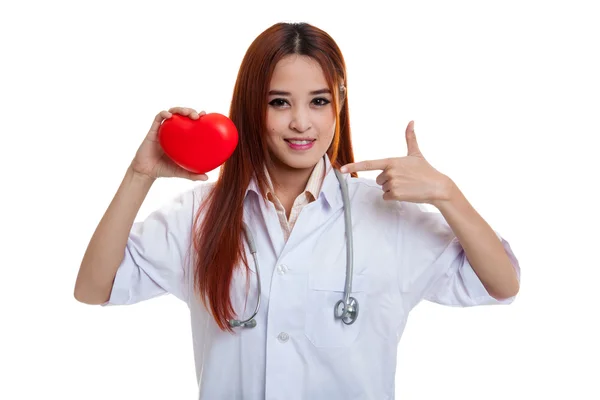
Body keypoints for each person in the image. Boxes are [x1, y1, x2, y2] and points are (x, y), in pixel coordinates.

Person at [74, 22, 521, 400]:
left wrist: (447, 193)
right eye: (279, 102)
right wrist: (140, 173)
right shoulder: (200, 214)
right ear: (253, 108)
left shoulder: (387, 215)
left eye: (318, 101)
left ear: (338, 104)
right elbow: (95, 287)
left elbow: (501, 283)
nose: (301, 122)